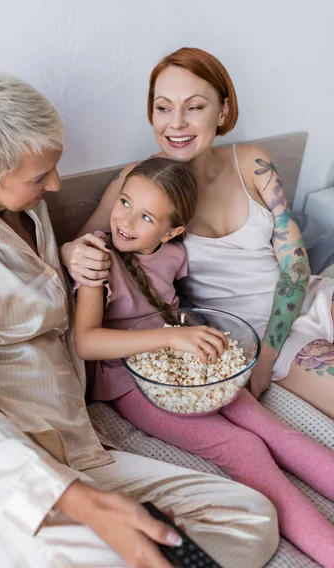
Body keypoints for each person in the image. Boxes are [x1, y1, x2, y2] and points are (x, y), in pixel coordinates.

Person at [0, 71, 279, 568]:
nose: (55, 186)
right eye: (40, 177)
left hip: (78, 442)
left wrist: (67, 256)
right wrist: (80, 502)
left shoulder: (24, 207)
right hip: (13, 471)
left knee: (251, 515)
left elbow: (47, 287)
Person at [74, 155, 334, 568]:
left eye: (145, 216)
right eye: (123, 203)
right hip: (133, 382)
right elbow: (85, 341)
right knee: (243, 445)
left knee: (271, 429)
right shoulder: (97, 261)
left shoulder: (175, 255)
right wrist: (174, 335)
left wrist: (199, 335)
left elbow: (217, 287)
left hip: (194, 367)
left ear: (173, 231)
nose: (125, 220)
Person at [62, 47, 334, 418]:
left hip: (311, 297)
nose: (176, 123)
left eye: (194, 107)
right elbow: (82, 245)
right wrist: (68, 254)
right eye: (163, 107)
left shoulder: (253, 163)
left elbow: (296, 266)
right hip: (254, 330)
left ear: (222, 110)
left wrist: (265, 358)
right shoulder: (139, 185)